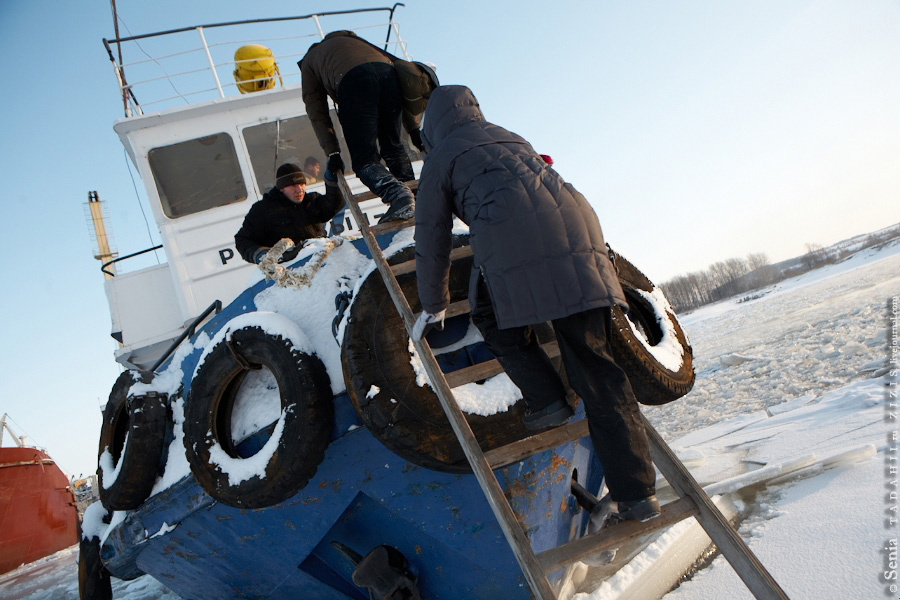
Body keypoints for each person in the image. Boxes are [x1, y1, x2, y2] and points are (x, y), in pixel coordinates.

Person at [412, 85, 660, 522]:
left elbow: (432, 236)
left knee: (489, 315)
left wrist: (433, 303)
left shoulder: (441, 156)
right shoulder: (508, 135)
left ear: (432, 126)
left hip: (518, 237)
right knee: (597, 367)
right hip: (579, 228)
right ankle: (638, 495)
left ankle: (547, 400)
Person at [299, 30, 419, 223]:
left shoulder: (309, 61)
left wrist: (333, 152)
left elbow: (317, 112)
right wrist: (414, 130)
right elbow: (403, 82)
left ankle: (399, 196)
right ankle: (416, 198)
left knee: (365, 161)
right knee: (394, 148)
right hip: (389, 76)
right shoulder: (359, 42)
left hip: (352, 82)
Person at [235, 163, 343, 264]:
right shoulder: (263, 210)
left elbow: (334, 204)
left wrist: (332, 179)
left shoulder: (310, 201)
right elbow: (242, 240)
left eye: (302, 184)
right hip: (290, 270)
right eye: (293, 186)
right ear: (282, 188)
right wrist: (264, 255)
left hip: (321, 261)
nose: (299, 190)